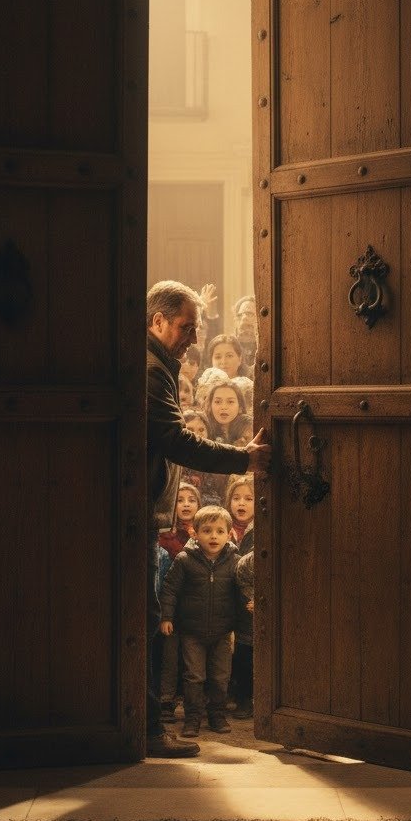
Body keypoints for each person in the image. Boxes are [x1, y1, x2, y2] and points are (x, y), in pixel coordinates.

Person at [146, 280, 271, 757]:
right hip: (138, 511)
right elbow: (177, 441)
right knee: (147, 618)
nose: (193, 339)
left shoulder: (160, 363)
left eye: (197, 328)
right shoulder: (153, 369)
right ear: (157, 320)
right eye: (185, 327)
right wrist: (244, 459)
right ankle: (149, 730)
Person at [159, 505, 248, 736]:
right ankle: (192, 718)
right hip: (192, 632)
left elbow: (242, 592)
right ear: (195, 534)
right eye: (207, 531)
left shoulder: (234, 561)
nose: (213, 536)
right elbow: (169, 590)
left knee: (220, 677)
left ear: (228, 535)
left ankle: (216, 715)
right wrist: (167, 617)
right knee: (194, 677)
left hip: (222, 632)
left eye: (219, 531)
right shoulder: (184, 560)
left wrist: (245, 615)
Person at [232, 546, 255, 719]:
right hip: (247, 625)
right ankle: (244, 700)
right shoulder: (247, 562)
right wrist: (254, 598)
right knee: (244, 663)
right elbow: (242, 583)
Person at [204, 378, 252, 447]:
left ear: (240, 407)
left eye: (230, 402)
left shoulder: (248, 428)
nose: (223, 407)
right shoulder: (202, 429)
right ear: (210, 405)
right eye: (218, 402)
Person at [225, 474, 255, 549]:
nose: (241, 503)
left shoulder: (262, 530)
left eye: (248, 499)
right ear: (229, 501)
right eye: (236, 498)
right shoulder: (222, 527)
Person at [232, 294, 258, 368]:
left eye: (249, 313)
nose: (244, 318)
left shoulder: (268, 347)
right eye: (240, 315)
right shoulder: (228, 345)